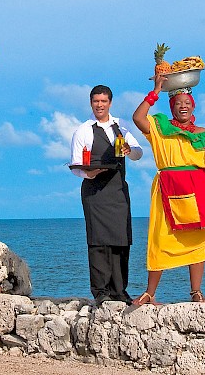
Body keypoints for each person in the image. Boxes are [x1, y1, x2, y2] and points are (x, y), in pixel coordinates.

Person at [130, 75, 205, 305]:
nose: (183, 106)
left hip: (202, 188)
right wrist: (155, 91)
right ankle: (150, 292)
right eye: (178, 103)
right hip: (169, 188)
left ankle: (196, 292)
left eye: (187, 102)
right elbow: (138, 118)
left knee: (199, 241)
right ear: (172, 107)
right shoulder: (160, 128)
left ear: (193, 106)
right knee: (160, 238)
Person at [70, 85, 143, 305]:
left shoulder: (122, 127)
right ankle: (101, 291)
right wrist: (90, 173)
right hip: (94, 191)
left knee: (121, 240)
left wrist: (130, 151)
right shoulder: (83, 130)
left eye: (103, 101)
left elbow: (138, 153)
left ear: (110, 102)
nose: (99, 105)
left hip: (118, 190)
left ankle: (120, 290)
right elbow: (76, 165)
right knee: (98, 241)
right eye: (96, 101)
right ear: (91, 103)